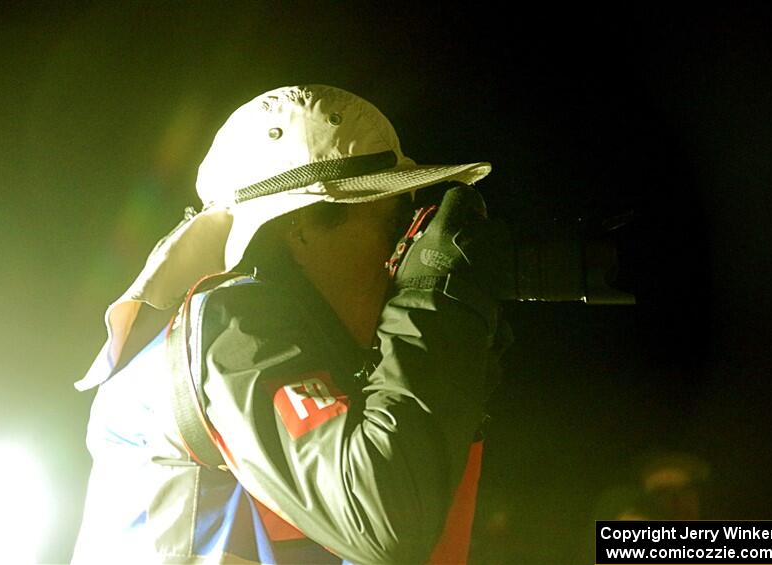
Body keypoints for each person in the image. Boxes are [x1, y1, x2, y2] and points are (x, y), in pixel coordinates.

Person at [72, 84, 511, 564]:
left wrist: (455, 379)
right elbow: (386, 523)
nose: (404, 247)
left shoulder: (299, 354)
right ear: (298, 229)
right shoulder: (229, 328)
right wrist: (435, 309)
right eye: (392, 220)